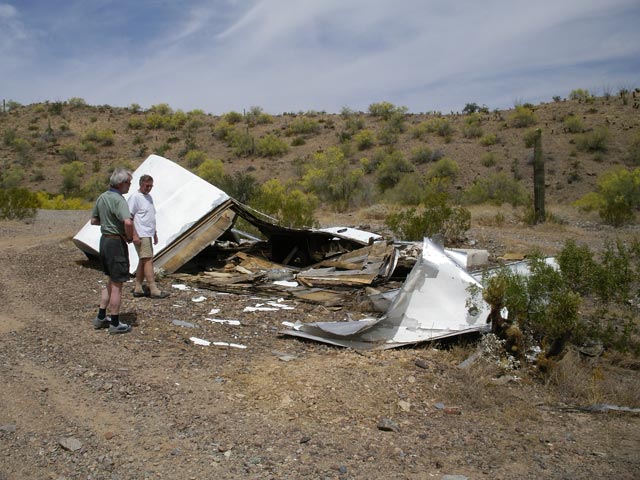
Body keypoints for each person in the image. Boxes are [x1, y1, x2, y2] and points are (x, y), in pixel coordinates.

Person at [90, 168, 134, 334]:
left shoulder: (102, 197)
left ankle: (101, 316)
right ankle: (115, 322)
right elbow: (128, 222)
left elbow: (94, 221)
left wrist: (107, 221)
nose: (129, 186)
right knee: (117, 284)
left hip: (104, 241)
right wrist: (129, 237)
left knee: (110, 280)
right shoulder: (119, 200)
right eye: (128, 183)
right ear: (121, 183)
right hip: (116, 242)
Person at [127, 174, 169, 299]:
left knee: (143, 259)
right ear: (141, 184)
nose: (149, 188)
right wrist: (134, 235)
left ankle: (138, 287)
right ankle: (153, 288)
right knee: (148, 259)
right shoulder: (135, 197)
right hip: (140, 233)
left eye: (151, 186)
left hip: (148, 233)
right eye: (147, 186)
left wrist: (154, 233)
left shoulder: (149, 197)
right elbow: (129, 217)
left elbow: (150, 216)